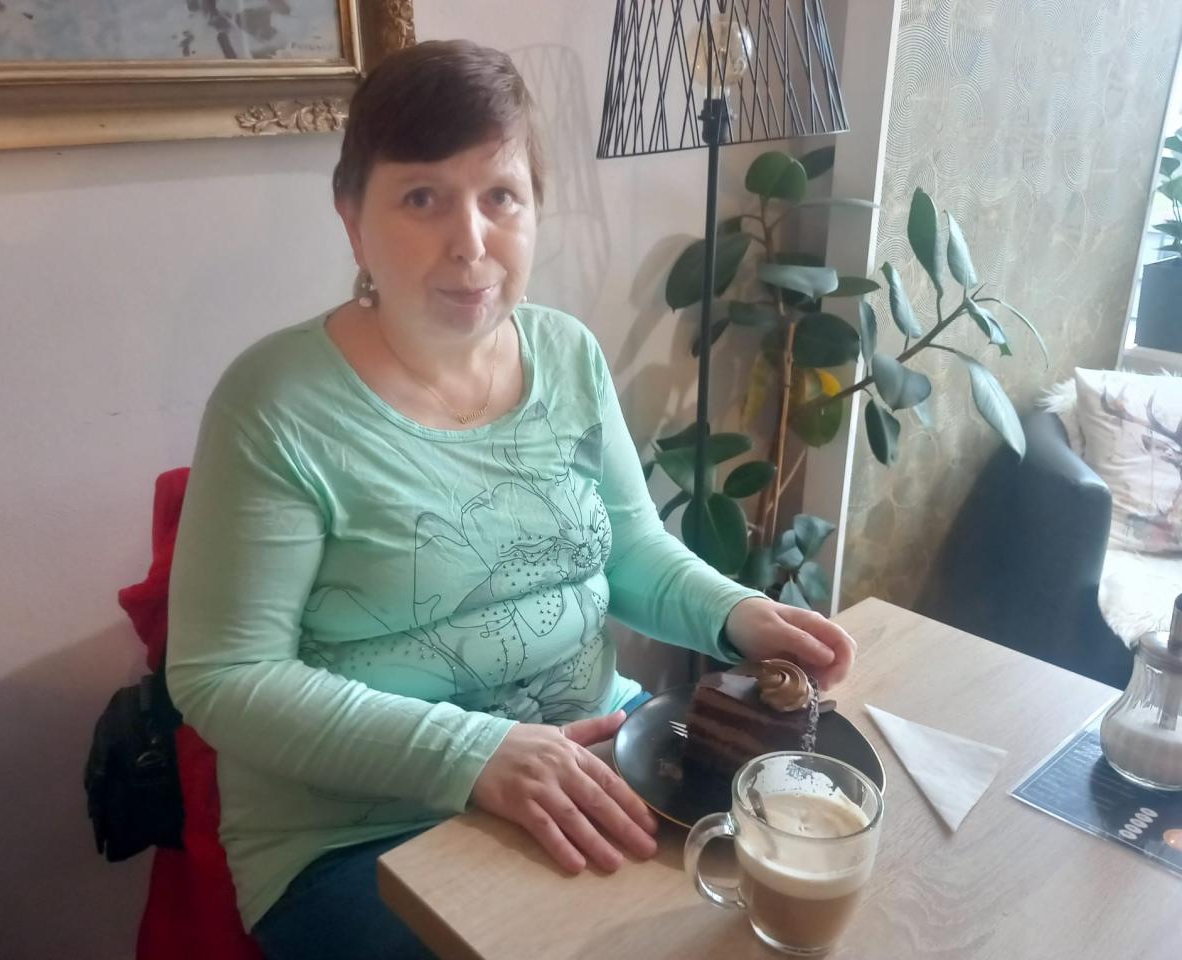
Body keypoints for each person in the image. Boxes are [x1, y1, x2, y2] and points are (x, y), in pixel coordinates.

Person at [166, 38, 857, 960]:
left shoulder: (566, 353)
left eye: (501, 196)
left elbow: (629, 549)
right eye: (422, 198)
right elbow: (225, 678)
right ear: (352, 219)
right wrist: (474, 755)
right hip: (362, 834)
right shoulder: (275, 404)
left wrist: (737, 615)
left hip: (603, 755)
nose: (471, 242)